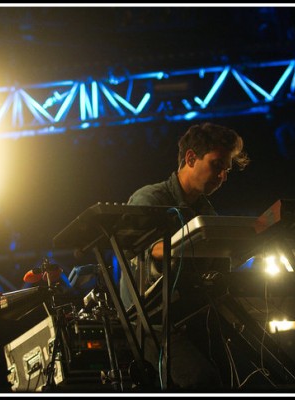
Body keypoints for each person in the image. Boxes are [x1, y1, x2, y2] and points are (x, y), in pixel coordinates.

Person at [120, 122, 250, 391]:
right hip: (151, 325)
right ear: (191, 158)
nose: (223, 176)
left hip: (191, 316)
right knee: (202, 380)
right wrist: (183, 245)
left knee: (244, 369)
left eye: (227, 170)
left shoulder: (205, 210)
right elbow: (136, 252)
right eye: (217, 165)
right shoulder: (150, 198)